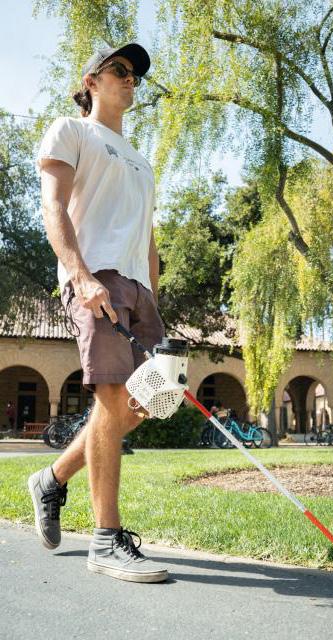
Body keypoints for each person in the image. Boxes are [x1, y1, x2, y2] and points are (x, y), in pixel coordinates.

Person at [28, 43, 167, 583]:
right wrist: (80, 275)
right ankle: (106, 540)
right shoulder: (71, 131)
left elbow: (147, 237)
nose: (130, 80)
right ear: (91, 81)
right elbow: (53, 206)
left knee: (145, 403)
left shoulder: (141, 161)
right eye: (120, 70)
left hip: (139, 290)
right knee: (111, 398)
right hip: (96, 278)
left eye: (135, 75)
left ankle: (52, 479)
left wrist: (154, 299)